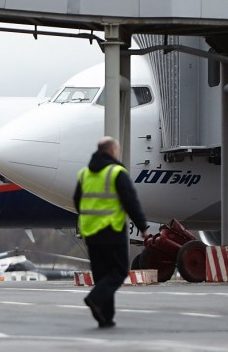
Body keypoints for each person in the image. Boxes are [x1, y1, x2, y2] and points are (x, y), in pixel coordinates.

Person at [73, 136, 150, 328]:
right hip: (112, 230)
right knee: (119, 271)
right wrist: (143, 228)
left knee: (102, 275)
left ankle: (105, 318)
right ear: (112, 151)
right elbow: (131, 203)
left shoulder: (84, 174)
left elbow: (77, 201)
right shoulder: (117, 173)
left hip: (90, 231)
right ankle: (95, 299)